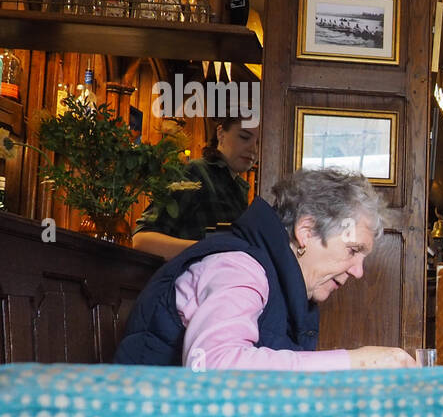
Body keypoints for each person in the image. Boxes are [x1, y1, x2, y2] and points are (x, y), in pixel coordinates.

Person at [115, 167, 414, 370]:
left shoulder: (284, 283)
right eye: (353, 250)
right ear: (307, 231)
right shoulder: (239, 268)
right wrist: (354, 363)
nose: (358, 272)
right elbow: (214, 367)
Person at [132, 116, 258, 262]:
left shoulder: (239, 188)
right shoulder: (195, 172)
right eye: (244, 137)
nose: (253, 149)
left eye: (259, 143)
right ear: (221, 134)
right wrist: (210, 250)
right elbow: (142, 240)